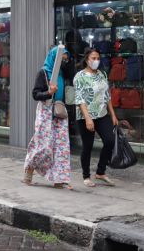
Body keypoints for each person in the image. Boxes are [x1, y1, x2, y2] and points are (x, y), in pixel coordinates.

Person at [23, 46, 72, 189]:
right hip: (45, 111)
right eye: (61, 59)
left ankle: (60, 179)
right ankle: (29, 169)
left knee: (61, 147)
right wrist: (49, 93)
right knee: (44, 145)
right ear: (54, 58)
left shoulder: (62, 74)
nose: (64, 62)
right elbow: (35, 94)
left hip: (60, 111)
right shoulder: (43, 73)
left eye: (65, 59)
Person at [74, 47, 119, 187]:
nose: (96, 61)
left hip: (102, 114)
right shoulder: (79, 76)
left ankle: (100, 171)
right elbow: (79, 99)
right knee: (88, 146)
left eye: (98, 58)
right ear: (87, 60)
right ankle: (86, 176)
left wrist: (113, 115)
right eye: (93, 58)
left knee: (110, 141)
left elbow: (107, 96)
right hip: (86, 116)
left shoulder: (102, 74)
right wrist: (88, 118)